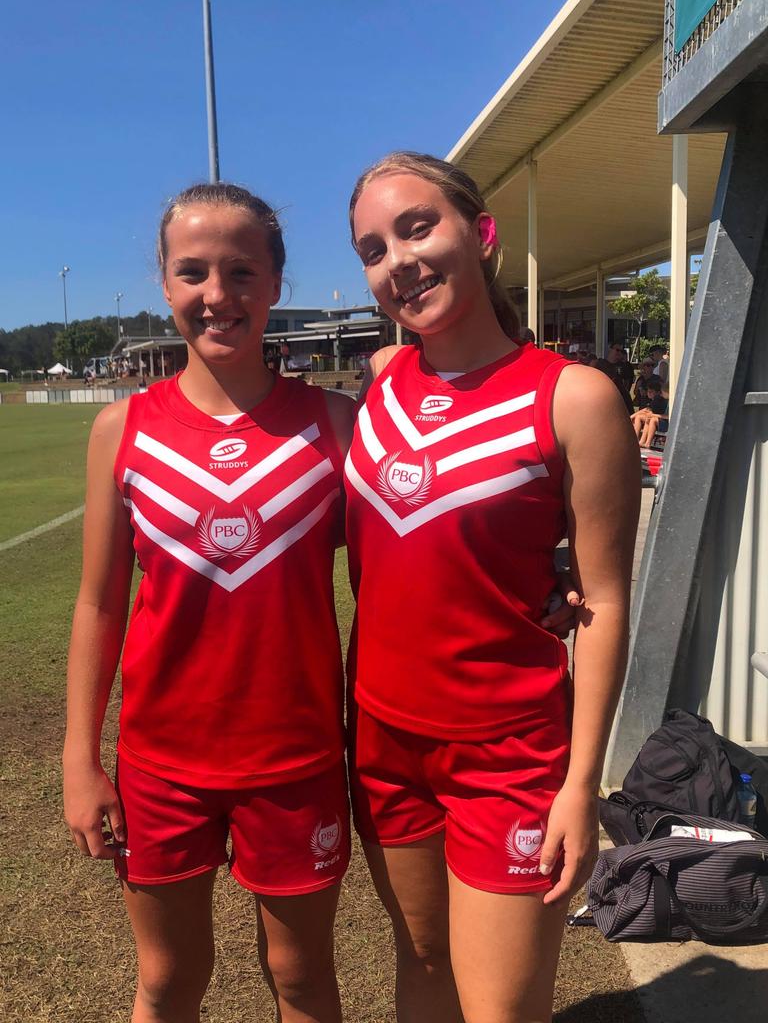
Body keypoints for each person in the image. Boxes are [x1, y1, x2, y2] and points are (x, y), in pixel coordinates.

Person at [344, 152, 640, 1023]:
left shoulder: (574, 396)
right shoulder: (378, 381)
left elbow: (608, 600)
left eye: (417, 226)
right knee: (424, 968)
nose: (397, 260)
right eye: (371, 248)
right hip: (383, 742)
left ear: (483, 235)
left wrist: (580, 786)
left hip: (508, 756)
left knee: (502, 1010)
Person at [62, 183, 357, 1023]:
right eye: (193, 272)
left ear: (275, 283)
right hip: (161, 764)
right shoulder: (121, 430)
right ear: (164, 282)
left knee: (300, 979)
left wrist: (546, 578)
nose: (216, 295)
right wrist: (82, 756)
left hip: (295, 763)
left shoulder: (334, 424)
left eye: (240, 271)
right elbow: (97, 606)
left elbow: (418, 561)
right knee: (168, 980)